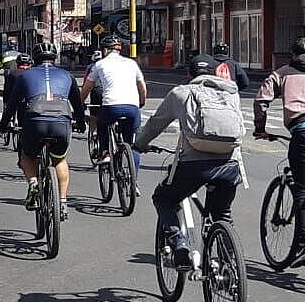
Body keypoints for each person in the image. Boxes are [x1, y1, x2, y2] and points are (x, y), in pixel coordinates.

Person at [135, 54, 244, 268]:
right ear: (215, 74)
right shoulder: (232, 93)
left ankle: (179, 243)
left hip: (193, 165)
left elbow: (155, 125)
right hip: (230, 164)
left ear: (188, 74)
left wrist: (139, 144)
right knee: (222, 214)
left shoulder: (180, 93)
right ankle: (229, 265)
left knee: (164, 198)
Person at [0, 43, 86, 221]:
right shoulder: (66, 75)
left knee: (28, 156)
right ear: (54, 58)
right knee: (59, 159)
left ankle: (34, 183)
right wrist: (81, 123)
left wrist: (3, 124)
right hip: (61, 121)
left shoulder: (26, 75)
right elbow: (77, 104)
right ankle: (62, 202)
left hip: (34, 121)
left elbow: (12, 105)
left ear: (35, 59)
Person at [254, 37, 305, 261]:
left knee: (302, 190)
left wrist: (260, 128)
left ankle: (302, 241)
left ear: (293, 54)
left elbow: (261, 101)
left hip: (302, 132)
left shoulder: (282, 73)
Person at [80, 34, 147, 175]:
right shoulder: (131, 63)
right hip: (132, 108)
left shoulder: (99, 64)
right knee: (133, 145)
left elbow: (87, 88)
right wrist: (141, 102)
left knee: (102, 125)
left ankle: (105, 153)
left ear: (105, 51)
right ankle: (133, 180)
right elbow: (142, 86)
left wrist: (80, 103)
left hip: (110, 107)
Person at [0, 38, 20, 104]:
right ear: (16, 46)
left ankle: (6, 107)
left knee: (7, 92)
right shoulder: (20, 55)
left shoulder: (3, 55)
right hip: (19, 76)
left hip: (9, 75)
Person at [82, 51, 103, 136]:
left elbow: (86, 83)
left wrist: (81, 102)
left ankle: (93, 133)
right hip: (110, 91)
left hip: (96, 91)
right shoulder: (108, 65)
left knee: (94, 113)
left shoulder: (91, 67)